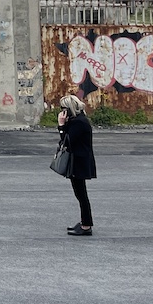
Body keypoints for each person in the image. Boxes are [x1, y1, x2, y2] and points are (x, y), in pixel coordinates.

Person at [58, 95, 97, 236]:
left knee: (81, 194)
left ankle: (86, 225)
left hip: (79, 162)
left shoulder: (79, 123)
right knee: (80, 194)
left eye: (63, 108)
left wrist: (61, 126)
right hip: (79, 160)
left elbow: (67, 141)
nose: (62, 111)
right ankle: (84, 221)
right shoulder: (78, 120)